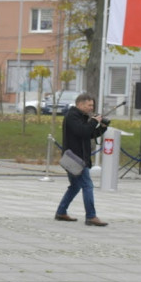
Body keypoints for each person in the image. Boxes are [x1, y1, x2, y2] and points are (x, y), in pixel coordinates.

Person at [54, 92, 108, 226]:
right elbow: (82, 131)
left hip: (78, 158)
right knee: (87, 185)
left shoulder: (81, 117)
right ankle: (91, 216)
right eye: (89, 105)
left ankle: (61, 212)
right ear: (80, 104)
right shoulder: (72, 116)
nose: (91, 108)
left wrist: (102, 128)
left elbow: (88, 134)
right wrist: (94, 121)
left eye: (92, 105)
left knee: (75, 186)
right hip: (75, 159)